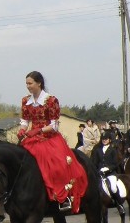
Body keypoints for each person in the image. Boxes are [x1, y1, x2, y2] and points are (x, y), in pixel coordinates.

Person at [17, 71, 87, 213]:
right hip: (31, 139)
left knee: (57, 166)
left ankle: (64, 198)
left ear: (39, 83)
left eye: (30, 83)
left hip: (49, 138)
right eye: (26, 83)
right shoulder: (26, 101)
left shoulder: (51, 100)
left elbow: (54, 125)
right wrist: (22, 130)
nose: (28, 86)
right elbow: (24, 121)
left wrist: (38, 130)